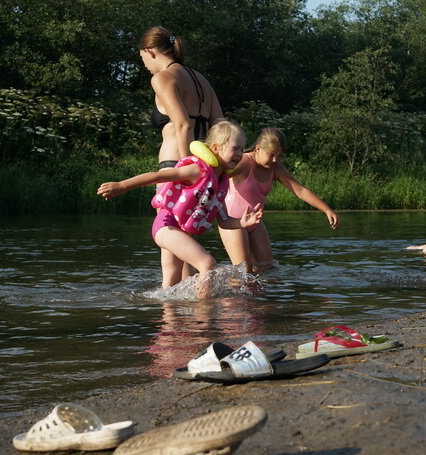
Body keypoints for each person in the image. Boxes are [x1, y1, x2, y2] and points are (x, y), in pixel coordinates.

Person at [97, 121, 262, 295]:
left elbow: (224, 221)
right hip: (166, 227)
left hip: (178, 233)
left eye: (242, 149)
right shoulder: (198, 170)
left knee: (169, 288)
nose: (239, 154)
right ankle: (203, 313)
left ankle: (171, 320)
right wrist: (122, 186)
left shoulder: (220, 182)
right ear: (215, 148)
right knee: (207, 263)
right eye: (235, 148)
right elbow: (158, 176)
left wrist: (241, 222)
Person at [140, 26, 225, 277]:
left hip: (176, 163)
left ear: (150, 51)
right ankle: (189, 306)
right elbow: (219, 123)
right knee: (183, 238)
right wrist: (215, 169)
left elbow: (182, 124)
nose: (144, 64)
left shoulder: (162, 78)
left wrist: (184, 167)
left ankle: (169, 301)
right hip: (204, 166)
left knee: (168, 234)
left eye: (142, 58)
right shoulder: (201, 79)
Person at [220, 127, 340, 272]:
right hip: (233, 222)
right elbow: (221, 173)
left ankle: (260, 295)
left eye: (280, 155)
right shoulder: (245, 162)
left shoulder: (276, 168)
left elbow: (300, 190)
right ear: (257, 148)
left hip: (255, 222)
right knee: (243, 272)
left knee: (267, 269)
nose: (275, 160)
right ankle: (226, 293)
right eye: (271, 154)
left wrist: (326, 210)